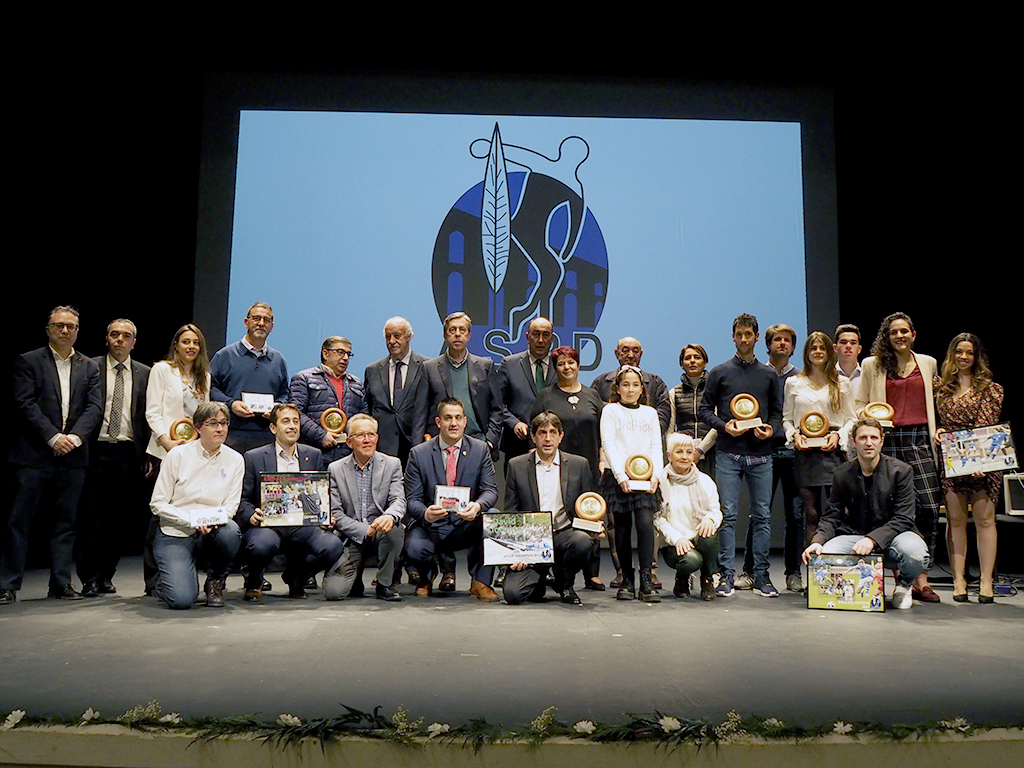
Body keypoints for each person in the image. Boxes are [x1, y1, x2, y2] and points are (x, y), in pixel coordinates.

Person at [1, 306, 102, 604]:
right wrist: (53, 437)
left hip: (73, 456)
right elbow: (25, 403)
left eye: (71, 326)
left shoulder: (89, 366)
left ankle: (60, 583)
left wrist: (74, 438)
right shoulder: (29, 361)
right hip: (33, 455)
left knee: (66, 524)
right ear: (48, 329)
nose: (65, 330)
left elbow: (95, 407)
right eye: (59, 325)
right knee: (19, 522)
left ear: (78, 331)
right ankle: (7, 584)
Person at [857, 312, 942, 603]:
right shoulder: (872, 364)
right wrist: (870, 417)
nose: (899, 336)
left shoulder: (928, 363)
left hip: (920, 440)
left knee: (929, 508)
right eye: (893, 332)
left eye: (904, 331)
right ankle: (899, 579)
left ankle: (922, 577)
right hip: (888, 440)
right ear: (887, 336)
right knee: (888, 509)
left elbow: (937, 402)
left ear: (913, 335)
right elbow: (860, 403)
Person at [802, 417, 929, 610]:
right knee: (825, 553)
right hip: (856, 535)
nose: (868, 442)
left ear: (881, 441)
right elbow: (832, 515)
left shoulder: (901, 471)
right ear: (854, 442)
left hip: (896, 536)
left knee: (916, 553)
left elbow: (904, 517)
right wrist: (817, 541)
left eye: (873, 438)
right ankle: (849, 592)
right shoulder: (842, 473)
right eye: (863, 438)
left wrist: (872, 539)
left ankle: (904, 586)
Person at [698, 313, 783, 599]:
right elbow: (705, 411)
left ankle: (761, 576)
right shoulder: (720, 372)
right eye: (740, 334)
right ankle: (726, 576)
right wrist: (725, 426)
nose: (744, 339)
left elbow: (776, 413)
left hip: (761, 455)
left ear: (757, 337)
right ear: (733, 337)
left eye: (749, 334)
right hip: (728, 453)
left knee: (762, 517)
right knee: (727, 516)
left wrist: (771, 430)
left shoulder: (768, 374)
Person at [235, 404, 343, 602]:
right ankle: (254, 581)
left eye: (296, 421)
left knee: (333, 545)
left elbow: (320, 495)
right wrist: (251, 514)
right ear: (273, 428)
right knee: (260, 545)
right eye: (286, 421)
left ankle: (296, 577)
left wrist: (325, 516)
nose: (292, 426)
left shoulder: (314, 455)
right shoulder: (254, 457)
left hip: (303, 525)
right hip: (267, 525)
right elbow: (243, 499)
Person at [77, 319, 152, 598]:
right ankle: (89, 577)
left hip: (128, 451)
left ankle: (107, 575)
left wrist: (148, 454)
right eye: (114, 334)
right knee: (90, 516)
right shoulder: (90, 367)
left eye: (126, 336)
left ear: (134, 343)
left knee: (120, 518)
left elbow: (148, 416)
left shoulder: (146, 373)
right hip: (95, 449)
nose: (120, 339)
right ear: (106, 339)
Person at [149, 402, 243, 609]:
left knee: (231, 532)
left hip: (213, 530)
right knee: (181, 600)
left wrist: (211, 520)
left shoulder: (235, 460)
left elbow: (231, 506)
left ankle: (215, 581)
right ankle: (168, 582)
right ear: (198, 427)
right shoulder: (177, 455)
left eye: (224, 423)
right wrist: (191, 520)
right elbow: (158, 504)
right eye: (213, 423)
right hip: (176, 532)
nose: (220, 429)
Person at [403, 398, 499, 600]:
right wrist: (425, 513)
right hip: (432, 525)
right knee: (414, 547)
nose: (453, 423)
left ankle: (481, 582)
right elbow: (412, 499)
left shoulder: (480, 449)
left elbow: (490, 490)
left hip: (465, 524)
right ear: (438, 422)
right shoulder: (418, 454)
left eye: (458, 418)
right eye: (448, 418)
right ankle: (426, 577)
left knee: (493, 517)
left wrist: (477, 506)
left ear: (465, 421)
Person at [529, 345, 608, 590]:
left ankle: (592, 573)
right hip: (556, 465)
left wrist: (602, 458)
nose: (567, 367)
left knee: (591, 513)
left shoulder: (592, 395)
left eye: (571, 362)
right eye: (561, 364)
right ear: (555, 368)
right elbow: (535, 427)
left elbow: (603, 431)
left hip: (588, 465)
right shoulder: (546, 395)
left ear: (578, 365)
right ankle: (557, 570)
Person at [934, 333, 1004, 603]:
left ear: (977, 357)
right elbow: (935, 418)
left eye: (969, 352)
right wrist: (938, 429)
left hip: (983, 462)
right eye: (959, 352)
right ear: (952, 355)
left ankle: (986, 581)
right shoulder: (940, 387)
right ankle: (959, 579)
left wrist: (979, 462)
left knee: (985, 521)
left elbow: (985, 426)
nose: (964, 357)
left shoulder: (990, 388)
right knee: (956, 521)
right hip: (952, 461)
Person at [502, 412, 600, 605]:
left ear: (560, 436)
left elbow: (587, 507)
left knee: (582, 541)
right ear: (533, 436)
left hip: (564, 535)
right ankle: (540, 579)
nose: (548, 438)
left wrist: (593, 528)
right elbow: (511, 513)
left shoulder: (579, 465)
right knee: (512, 595)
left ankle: (564, 584)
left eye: (553, 432)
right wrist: (516, 553)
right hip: (532, 540)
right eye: (542, 433)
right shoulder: (516, 466)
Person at [143, 323, 212, 595]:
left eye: (195, 342)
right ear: (176, 345)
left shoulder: (204, 376)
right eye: (186, 341)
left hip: (194, 454)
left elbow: (204, 417)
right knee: (160, 513)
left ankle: (181, 571)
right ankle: (153, 579)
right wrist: (166, 442)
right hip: (166, 451)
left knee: (188, 508)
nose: (191, 347)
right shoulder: (162, 370)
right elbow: (152, 412)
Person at [736, 323, 802, 593]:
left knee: (795, 515)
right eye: (777, 340)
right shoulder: (757, 374)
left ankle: (793, 573)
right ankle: (749, 571)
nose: (782, 344)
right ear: (767, 344)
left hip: (795, 452)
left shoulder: (801, 378)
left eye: (787, 340)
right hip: (763, 450)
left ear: (793, 347)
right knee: (759, 513)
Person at [783, 332, 856, 569]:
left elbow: (851, 419)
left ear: (829, 352)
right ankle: (816, 573)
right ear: (806, 352)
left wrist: (838, 435)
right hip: (805, 453)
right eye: (813, 348)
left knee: (839, 512)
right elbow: (786, 419)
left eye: (822, 348)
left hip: (834, 452)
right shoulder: (793, 382)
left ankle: (840, 570)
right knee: (812, 514)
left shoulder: (842, 383)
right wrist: (794, 436)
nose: (818, 352)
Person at [325, 413, 406, 602]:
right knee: (334, 593)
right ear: (349, 441)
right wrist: (364, 530)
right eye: (360, 435)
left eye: (371, 434)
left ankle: (384, 584)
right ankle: (355, 579)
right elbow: (335, 512)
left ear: (377, 438)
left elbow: (399, 500)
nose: (367, 440)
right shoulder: (335, 469)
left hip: (381, 531)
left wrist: (389, 516)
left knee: (394, 530)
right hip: (351, 536)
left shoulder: (392, 464)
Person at [600, 366, 663, 602]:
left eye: (635, 385)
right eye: (625, 385)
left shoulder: (650, 413)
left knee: (645, 525)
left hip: (645, 478)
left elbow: (656, 445)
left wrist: (656, 475)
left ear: (642, 389)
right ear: (617, 388)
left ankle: (646, 580)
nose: (630, 389)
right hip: (619, 478)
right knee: (622, 528)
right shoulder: (610, 411)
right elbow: (609, 444)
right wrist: (621, 476)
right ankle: (627, 579)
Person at [210, 302, 290, 454]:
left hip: (267, 436)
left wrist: (277, 406)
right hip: (231, 434)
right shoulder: (224, 355)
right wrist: (231, 404)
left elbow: (285, 393)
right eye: (256, 318)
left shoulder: (278, 360)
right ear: (246, 322)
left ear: (272, 326)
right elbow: (211, 388)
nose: (261, 323)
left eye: (266, 320)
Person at [424, 312, 502, 454]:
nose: (457, 334)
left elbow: (497, 408)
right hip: (441, 445)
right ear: (445, 336)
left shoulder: (485, 366)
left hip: (479, 444)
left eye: (462, 330)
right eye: (452, 330)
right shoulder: (429, 368)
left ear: (469, 336)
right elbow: (421, 410)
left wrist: (489, 441)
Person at [655, 433, 722, 601]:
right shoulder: (660, 482)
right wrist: (677, 538)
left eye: (689, 452)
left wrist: (709, 519)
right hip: (673, 543)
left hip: (698, 537)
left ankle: (707, 579)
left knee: (710, 535)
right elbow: (657, 518)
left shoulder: (705, 481)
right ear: (669, 455)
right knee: (692, 560)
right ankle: (682, 579)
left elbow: (716, 511)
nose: (685, 457)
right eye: (679, 452)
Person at [362, 317, 429, 466]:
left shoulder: (427, 367)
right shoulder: (372, 370)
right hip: (382, 447)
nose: (392, 341)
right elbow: (368, 409)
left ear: (409, 337)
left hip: (415, 445)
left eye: (397, 336)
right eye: (388, 337)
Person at [290, 336, 367, 464]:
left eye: (348, 354)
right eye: (340, 352)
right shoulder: (303, 378)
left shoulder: (357, 383)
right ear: (325, 354)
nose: (346, 358)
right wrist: (321, 435)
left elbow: (363, 417)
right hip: (314, 452)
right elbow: (295, 413)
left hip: (348, 455)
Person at [496, 317, 557, 463]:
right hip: (518, 444)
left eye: (545, 335)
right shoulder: (509, 364)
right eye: (536, 334)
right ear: (527, 337)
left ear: (552, 338)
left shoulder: (560, 365)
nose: (540, 340)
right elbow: (497, 403)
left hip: (553, 443)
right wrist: (514, 423)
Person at [590, 337, 671, 433]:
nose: (631, 355)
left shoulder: (656, 383)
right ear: (617, 353)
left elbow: (663, 415)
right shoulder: (601, 382)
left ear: (641, 354)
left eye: (635, 351)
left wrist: (645, 435)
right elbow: (592, 413)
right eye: (625, 350)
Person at [668, 343, 717, 480]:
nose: (692, 361)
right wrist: (675, 453)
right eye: (688, 358)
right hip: (683, 457)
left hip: (711, 454)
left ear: (705, 363)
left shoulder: (715, 391)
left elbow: (717, 425)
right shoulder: (674, 393)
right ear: (682, 364)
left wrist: (700, 450)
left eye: (697, 357)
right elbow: (670, 430)